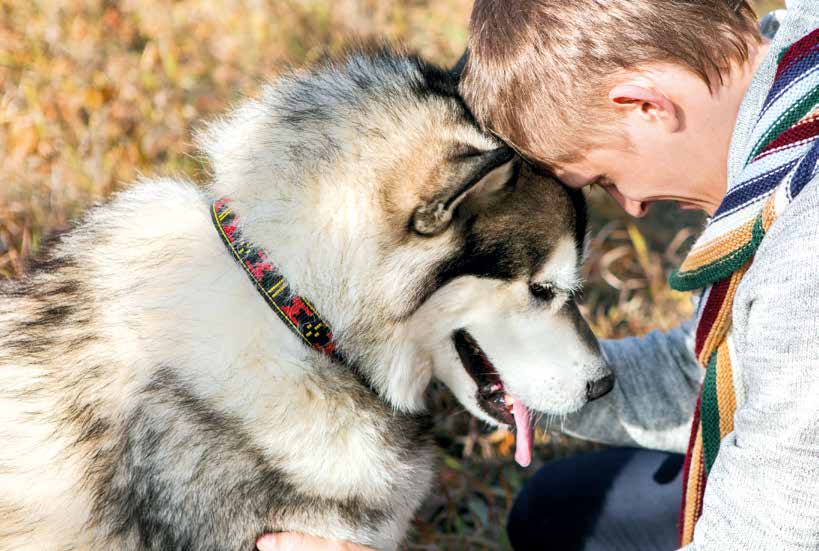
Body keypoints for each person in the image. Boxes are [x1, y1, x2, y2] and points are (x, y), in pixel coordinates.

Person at [261, 1, 819, 549]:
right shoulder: (794, 97)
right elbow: (710, 379)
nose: (633, 206)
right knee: (561, 513)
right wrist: (501, 363)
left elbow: (772, 533)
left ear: (645, 106)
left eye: (602, 177)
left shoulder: (803, 256)